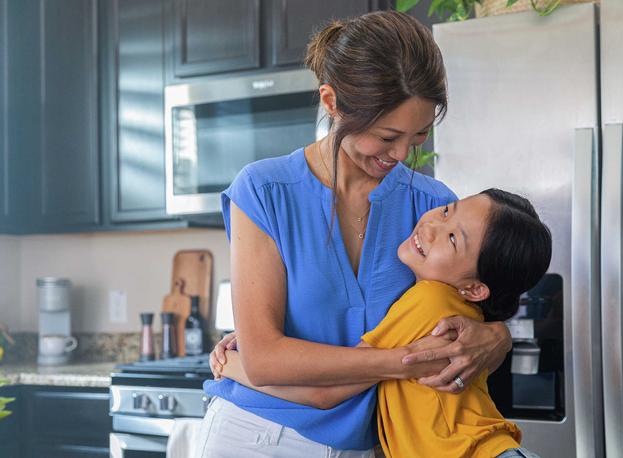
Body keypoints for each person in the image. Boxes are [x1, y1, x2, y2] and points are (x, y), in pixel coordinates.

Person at [197, 11, 513, 457]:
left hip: (374, 446)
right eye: (387, 136)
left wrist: (499, 336)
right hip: (258, 437)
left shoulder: (433, 208)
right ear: (332, 102)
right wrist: (406, 362)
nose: (401, 154)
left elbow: (467, 305)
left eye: (419, 135)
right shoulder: (265, 191)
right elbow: (267, 361)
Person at [217, 189, 552, 458]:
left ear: (475, 289)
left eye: (452, 239)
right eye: (448, 210)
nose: (432, 226)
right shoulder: (450, 305)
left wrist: (230, 365)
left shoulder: (430, 301)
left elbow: (325, 388)